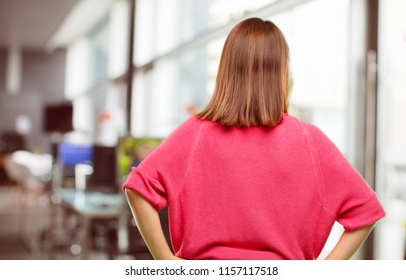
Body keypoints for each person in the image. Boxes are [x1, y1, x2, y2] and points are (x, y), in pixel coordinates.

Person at [123, 17, 385, 260]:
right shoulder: (309, 140)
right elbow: (366, 212)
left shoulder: (195, 134)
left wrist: (166, 263)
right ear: (281, 74)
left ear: (226, 71)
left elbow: (137, 189)